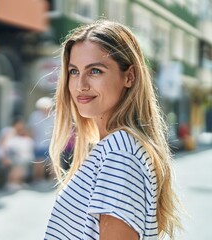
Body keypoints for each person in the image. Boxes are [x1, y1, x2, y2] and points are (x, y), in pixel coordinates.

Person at [44, 20, 181, 240]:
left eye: (95, 71)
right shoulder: (113, 148)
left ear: (130, 76)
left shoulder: (120, 154)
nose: (81, 85)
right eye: (74, 71)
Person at [28, 97, 54, 181]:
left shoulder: (54, 115)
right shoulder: (35, 116)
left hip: (51, 143)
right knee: (39, 162)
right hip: (38, 143)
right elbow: (32, 131)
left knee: (53, 162)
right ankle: (38, 179)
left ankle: (53, 179)